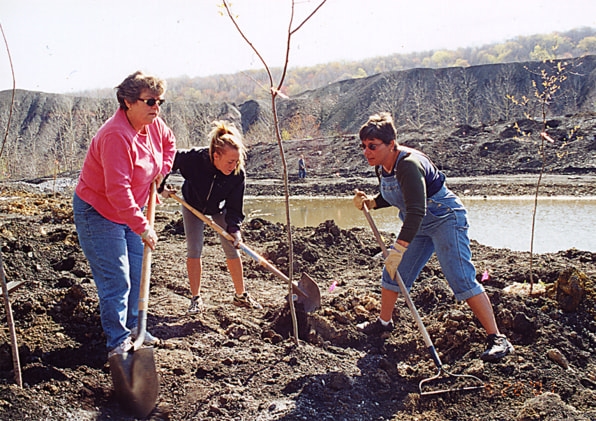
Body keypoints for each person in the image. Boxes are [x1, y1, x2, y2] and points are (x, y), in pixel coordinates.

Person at [353, 112, 513, 362]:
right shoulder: (382, 166)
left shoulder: (408, 163)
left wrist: (398, 251)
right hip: (417, 224)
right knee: (393, 273)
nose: (367, 152)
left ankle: (497, 338)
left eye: (372, 146)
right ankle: (385, 323)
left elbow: (417, 208)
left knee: (460, 278)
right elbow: (400, 195)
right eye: (364, 146)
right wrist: (372, 202)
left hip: (445, 218)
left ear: (391, 144)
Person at [73, 71, 176, 359]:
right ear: (128, 102)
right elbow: (117, 190)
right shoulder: (115, 135)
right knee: (117, 279)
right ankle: (117, 343)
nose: (156, 107)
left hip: (132, 208)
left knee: (137, 270)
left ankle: (134, 327)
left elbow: (169, 145)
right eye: (150, 101)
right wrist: (143, 226)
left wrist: (161, 172)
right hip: (99, 212)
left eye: (160, 101)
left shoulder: (153, 124)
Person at [161, 120, 262, 313]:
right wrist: (161, 186)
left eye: (236, 161)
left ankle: (241, 296)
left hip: (218, 207)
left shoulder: (237, 174)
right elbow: (169, 160)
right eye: (229, 162)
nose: (233, 166)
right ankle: (196, 298)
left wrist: (235, 229)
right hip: (192, 205)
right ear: (216, 156)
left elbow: (234, 207)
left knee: (232, 248)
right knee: (194, 249)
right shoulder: (195, 159)